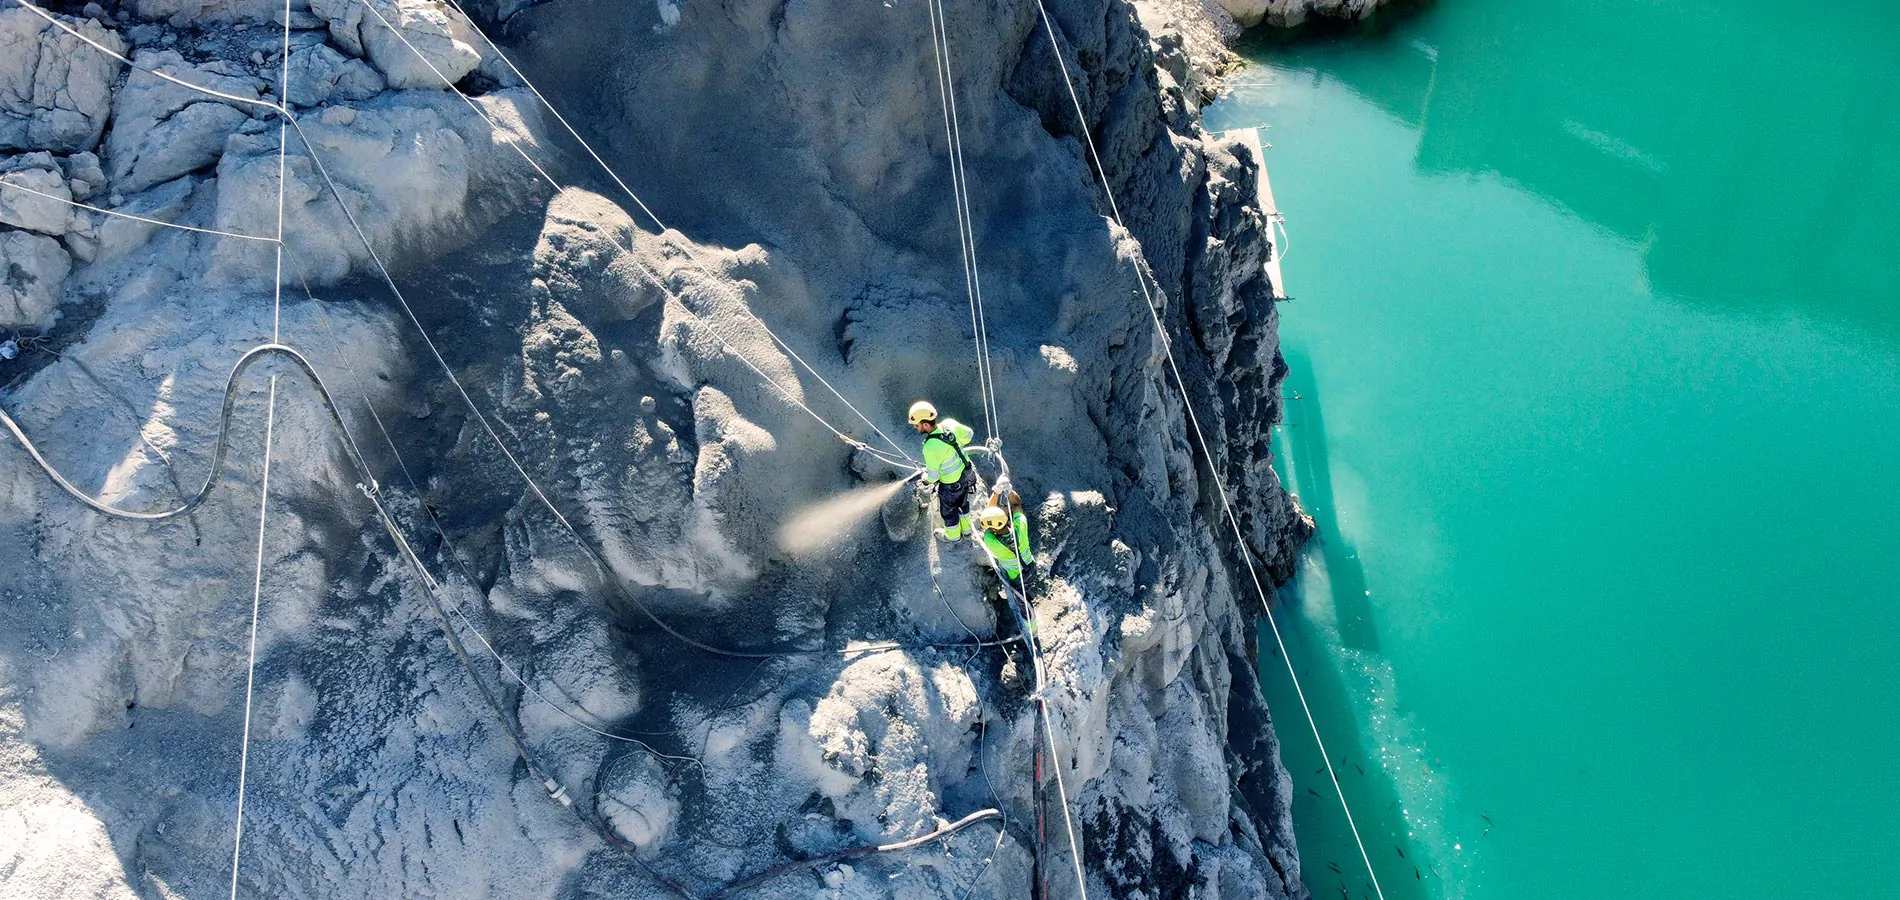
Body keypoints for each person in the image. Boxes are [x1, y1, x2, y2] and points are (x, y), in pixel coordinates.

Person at [909, 400, 974, 540]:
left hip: (951, 486)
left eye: (917, 424)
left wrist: (925, 479)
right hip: (967, 474)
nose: (915, 427)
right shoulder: (949, 424)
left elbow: (933, 476)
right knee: (963, 504)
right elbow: (969, 434)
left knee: (949, 512)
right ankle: (968, 531)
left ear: (925, 424)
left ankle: (954, 536)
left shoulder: (930, 446)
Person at [976, 503, 1034, 580]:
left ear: (993, 529)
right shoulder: (1021, 528)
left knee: (1003, 571)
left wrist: (996, 493)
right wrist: (1009, 492)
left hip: (1016, 577)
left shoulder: (990, 541)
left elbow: (988, 518)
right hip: (1031, 566)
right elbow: (1017, 504)